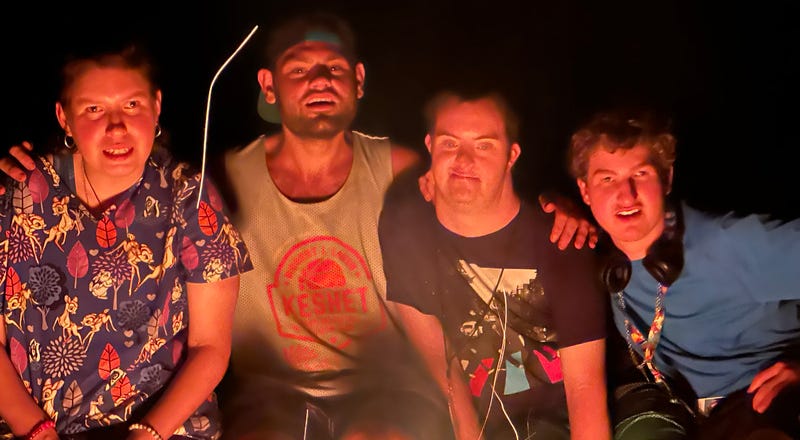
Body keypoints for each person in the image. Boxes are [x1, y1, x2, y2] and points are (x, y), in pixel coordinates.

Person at [2, 11, 596, 440]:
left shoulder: (404, 166)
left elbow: (486, 182)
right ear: (267, 87)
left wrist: (557, 200)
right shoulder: (223, 174)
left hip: (382, 382)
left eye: (334, 68)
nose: (318, 81)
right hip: (272, 393)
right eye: (299, 69)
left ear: (359, 81)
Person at [0, 42, 251, 440]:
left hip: (163, 429)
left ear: (156, 106)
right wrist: (36, 431)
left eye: (132, 105)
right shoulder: (18, 195)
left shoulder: (188, 198)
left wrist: (147, 433)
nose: (116, 127)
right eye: (94, 109)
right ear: (64, 118)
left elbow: (211, 348)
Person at [378, 90, 611, 440]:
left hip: (554, 418)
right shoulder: (405, 225)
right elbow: (437, 357)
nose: (464, 159)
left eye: (483, 145)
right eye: (450, 144)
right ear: (430, 147)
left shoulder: (562, 242)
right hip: (473, 415)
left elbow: (585, 393)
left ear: (511, 155)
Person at [568, 108, 800, 439]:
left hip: (765, 407)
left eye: (641, 174)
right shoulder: (606, 259)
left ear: (667, 179)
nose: (626, 194)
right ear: (585, 191)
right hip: (692, 414)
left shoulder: (728, 244)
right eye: (607, 179)